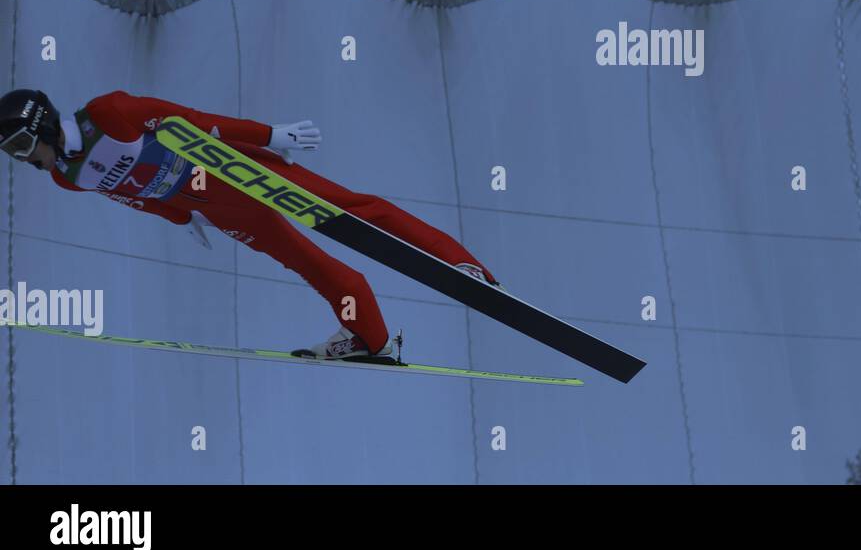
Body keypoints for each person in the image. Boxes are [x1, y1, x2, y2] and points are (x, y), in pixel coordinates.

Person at [0, 88, 500, 360]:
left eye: (22, 147)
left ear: (40, 124)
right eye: (12, 155)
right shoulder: (66, 176)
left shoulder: (108, 113)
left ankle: (462, 266)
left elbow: (189, 119)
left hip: (230, 169)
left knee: (353, 209)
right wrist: (183, 216)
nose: (25, 160)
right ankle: (374, 340)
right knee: (310, 264)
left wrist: (269, 134)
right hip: (215, 207)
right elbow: (131, 195)